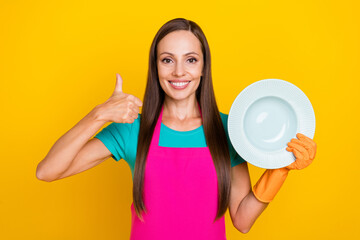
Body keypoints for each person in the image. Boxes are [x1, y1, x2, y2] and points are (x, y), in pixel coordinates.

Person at [36, 18, 317, 239]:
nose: (179, 72)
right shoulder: (132, 129)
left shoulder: (228, 129)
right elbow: (47, 171)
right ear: (156, 67)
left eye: (191, 60)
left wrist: (280, 168)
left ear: (204, 67)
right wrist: (99, 115)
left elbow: (242, 221)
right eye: (167, 60)